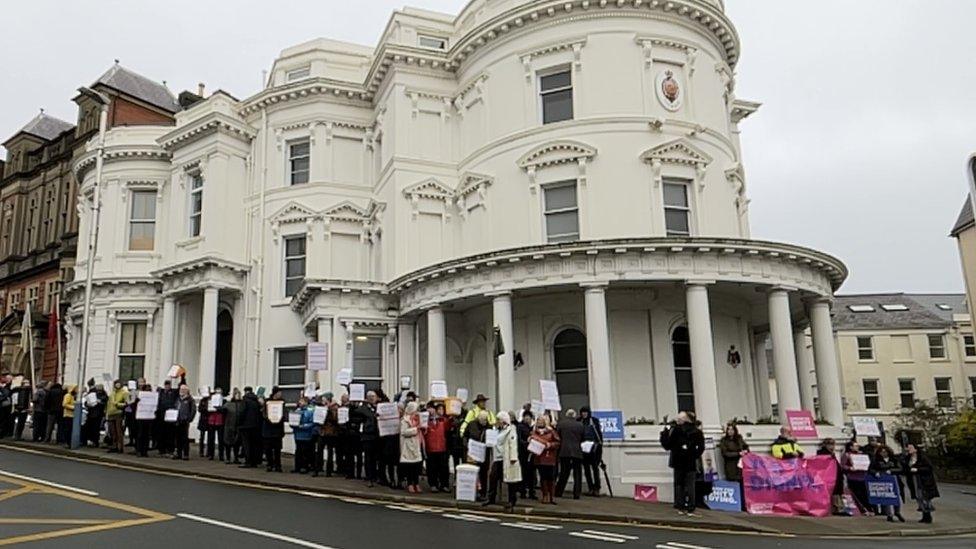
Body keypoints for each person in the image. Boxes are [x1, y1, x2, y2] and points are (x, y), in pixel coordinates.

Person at [659, 411, 705, 516]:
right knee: (688, 485)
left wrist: (664, 434)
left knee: (680, 484)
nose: (677, 421)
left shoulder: (676, 430)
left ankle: (681, 506)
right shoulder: (696, 432)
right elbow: (701, 448)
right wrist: (694, 455)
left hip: (679, 461)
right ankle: (689, 507)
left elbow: (667, 445)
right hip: (688, 462)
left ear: (685, 420)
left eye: (679, 419)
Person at [903, 443, 939, 524]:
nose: (908, 449)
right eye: (907, 448)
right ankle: (924, 514)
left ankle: (928, 516)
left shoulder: (922, 458)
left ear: (915, 449)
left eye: (910, 448)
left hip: (923, 481)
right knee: (918, 497)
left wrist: (918, 470)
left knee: (924, 497)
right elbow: (905, 468)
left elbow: (929, 468)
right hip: (913, 480)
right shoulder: (908, 458)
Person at [495, 411, 522, 511]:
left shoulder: (511, 430)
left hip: (508, 458)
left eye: (499, 420)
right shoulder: (497, 430)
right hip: (498, 457)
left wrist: (513, 457)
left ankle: (512, 500)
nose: (497, 422)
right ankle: (492, 498)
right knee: (495, 478)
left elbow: (513, 444)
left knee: (511, 481)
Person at [870, 445, 905, 522]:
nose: (883, 453)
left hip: (894, 480)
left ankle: (897, 512)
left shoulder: (894, 459)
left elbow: (900, 468)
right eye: (881, 452)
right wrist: (876, 473)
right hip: (883, 481)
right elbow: (871, 469)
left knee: (896, 496)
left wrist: (892, 471)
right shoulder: (876, 460)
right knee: (887, 497)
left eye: (885, 452)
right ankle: (889, 514)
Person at [555, 409, 585, 500]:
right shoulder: (580, 425)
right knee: (577, 474)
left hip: (564, 451)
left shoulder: (561, 424)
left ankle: (559, 491)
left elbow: (558, 437)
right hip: (577, 451)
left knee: (564, 472)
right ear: (575, 415)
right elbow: (583, 438)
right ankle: (577, 494)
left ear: (567, 415)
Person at [530, 415, 560, 504]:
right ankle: (545, 495)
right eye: (538, 421)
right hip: (539, 458)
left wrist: (549, 445)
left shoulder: (551, 432)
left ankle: (551, 496)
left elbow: (558, 442)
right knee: (543, 478)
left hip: (549, 458)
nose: (539, 422)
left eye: (541, 421)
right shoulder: (534, 432)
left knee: (550, 477)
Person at [817, 438, 848, 516]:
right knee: (833, 492)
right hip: (830, 477)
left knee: (837, 492)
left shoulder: (832, 454)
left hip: (836, 476)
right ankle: (836, 508)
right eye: (830, 445)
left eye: (833, 445)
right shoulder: (823, 454)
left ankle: (838, 507)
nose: (832, 447)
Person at [424, 401, 451, 492]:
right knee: (432, 468)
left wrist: (452, 418)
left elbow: (448, 427)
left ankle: (444, 484)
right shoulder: (427, 420)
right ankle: (433, 484)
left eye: (442, 409)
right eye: (439, 409)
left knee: (443, 468)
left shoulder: (444, 420)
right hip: (430, 447)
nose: (441, 411)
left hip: (442, 447)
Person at [464, 409, 491, 501]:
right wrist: (467, 445)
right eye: (483, 420)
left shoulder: (489, 427)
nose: (485, 421)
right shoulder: (471, 425)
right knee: (474, 473)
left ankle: (483, 493)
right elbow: (465, 435)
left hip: (484, 454)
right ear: (479, 419)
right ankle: (473, 492)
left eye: (486, 419)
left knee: (483, 474)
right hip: (473, 453)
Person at [354, 391, 379, 486]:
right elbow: (358, 413)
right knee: (368, 458)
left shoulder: (378, 408)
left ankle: (375, 476)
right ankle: (369, 477)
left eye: (374, 396)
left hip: (377, 436)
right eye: (370, 397)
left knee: (375, 458)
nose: (372, 398)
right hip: (367, 436)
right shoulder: (363, 408)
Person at [579, 406, 604, 496]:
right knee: (586, 469)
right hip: (583, 448)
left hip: (594, 448)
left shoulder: (594, 421)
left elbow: (599, 434)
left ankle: (597, 488)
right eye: (582, 412)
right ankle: (590, 488)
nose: (584, 414)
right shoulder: (579, 421)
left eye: (585, 412)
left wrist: (599, 446)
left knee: (595, 468)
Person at [841, 441, 871, 515]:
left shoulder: (861, 454)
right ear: (850, 447)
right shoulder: (847, 455)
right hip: (852, 477)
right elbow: (843, 465)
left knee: (864, 494)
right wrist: (850, 468)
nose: (857, 447)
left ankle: (866, 508)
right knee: (855, 494)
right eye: (855, 446)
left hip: (862, 476)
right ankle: (859, 509)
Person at [400, 401, 423, 493]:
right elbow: (404, 432)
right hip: (408, 445)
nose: (417, 412)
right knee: (410, 466)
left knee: (417, 466)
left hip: (416, 444)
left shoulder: (418, 419)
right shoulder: (404, 420)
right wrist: (416, 429)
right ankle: (410, 484)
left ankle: (416, 483)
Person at [262, 388, 286, 472]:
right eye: (279, 392)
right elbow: (264, 413)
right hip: (268, 429)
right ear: (275, 393)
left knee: (277, 449)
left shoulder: (282, 402)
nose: (281, 394)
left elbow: (284, 414)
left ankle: (278, 465)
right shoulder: (267, 402)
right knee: (268, 449)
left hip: (278, 429)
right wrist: (270, 419)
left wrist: (279, 419)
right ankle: (270, 465)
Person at [239, 387, 263, 468]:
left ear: (245, 392)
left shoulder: (245, 400)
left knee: (246, 444)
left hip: (245, 426)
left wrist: (239, 423)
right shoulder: (256, 401)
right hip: (256, 426)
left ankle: (248, 461)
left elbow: (242, 412)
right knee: (254, 444)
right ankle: (254, 462)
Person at [292, 397, 316, 474]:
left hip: (306, 435)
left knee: (305, 452)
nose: (300, 403)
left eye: (302, 401)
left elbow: (312, 423)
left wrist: (304, 426)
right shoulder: (297, 411)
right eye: (300, 401)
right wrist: (293, 425)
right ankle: (297, 467)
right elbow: (293, 421)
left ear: (306, 402)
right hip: (297, 435)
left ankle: (305, 467)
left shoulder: (310, 411)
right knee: (298, 452)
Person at [516, 410, 536, 500]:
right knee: (523, 473)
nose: (527, 419)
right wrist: (527, 444)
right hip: (523, 453)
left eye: (529, 417)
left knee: (531, 474)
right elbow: (519, 440)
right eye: (526, 417)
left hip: (531, 454)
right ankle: (523, 492)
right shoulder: (520, 427)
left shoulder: (532, 428)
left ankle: (532, 492)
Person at [172, 385, 196, 460]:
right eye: (181, 389)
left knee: (184, 438)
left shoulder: (190, 400)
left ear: (187, 391)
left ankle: (185, 454)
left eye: (183, 389)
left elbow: (193, 410)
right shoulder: (178, 399)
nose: (181, 391)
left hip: (185, 421)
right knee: (177, 438)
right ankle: (178, 453)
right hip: (177, 421)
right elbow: (175, 407)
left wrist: (189, 419)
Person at [155, 380, 178, 456]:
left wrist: (182, 377)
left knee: (170, 433)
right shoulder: (160, 392)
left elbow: (181, 387)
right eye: (166, 385)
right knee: (161, 433)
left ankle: (170, 449)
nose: (167, 386)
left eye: (168, 385)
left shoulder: (174, 392)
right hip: (161, 415)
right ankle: (161, 450)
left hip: (170, 416)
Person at [222, 388, 244, 464]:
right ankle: (228, 458)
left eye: (239, 394)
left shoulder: (242, 404)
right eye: (236, 394)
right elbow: (222, 412)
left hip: (238, 426)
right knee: (228, 443)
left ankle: (236, 458)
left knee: (237, 444)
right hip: (229, 425)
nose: (238, 396)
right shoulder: (228, 404)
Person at [105, 380, 128, 453]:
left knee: (119, 431)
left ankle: (120, 447)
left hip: (119, 413)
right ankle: (114, 446)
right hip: (111, 413)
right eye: (116, 384)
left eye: (118, 384)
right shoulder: (112, 393)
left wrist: (118, 404)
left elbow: (127, 403)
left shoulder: (124, 393)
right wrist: (107, 412)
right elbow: (109, 403)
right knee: (112, 432)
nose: (117, 385)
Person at [134, 382, 154, 457]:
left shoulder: (152, 397)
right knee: (140, 434)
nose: (148, 391)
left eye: (149, 390)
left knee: (147, 435)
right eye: (147, 390)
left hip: (149, 418)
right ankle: (139, 450)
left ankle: (145, 451)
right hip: (141, 418)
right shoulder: (139, 397)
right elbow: (134, 406)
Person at [206, 388, 226, 461]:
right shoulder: (210, 400)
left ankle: (221, 455)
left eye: (219, 393)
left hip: (220, 421)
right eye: (216, 392)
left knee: (221, 440)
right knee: (211, 439)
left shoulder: (224, 401)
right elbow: (206, 410)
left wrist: (219, 408)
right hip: (211, 421)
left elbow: (225, 410)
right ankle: (211, 454)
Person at [197, 392, 211, 458]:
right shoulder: (202, 401)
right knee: (202, 437)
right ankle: (201, 451)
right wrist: (206, 409)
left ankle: (208, 452)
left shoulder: (210, 400)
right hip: (203, 420)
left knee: (209, 437)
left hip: (209, 420)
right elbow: (199, 409)